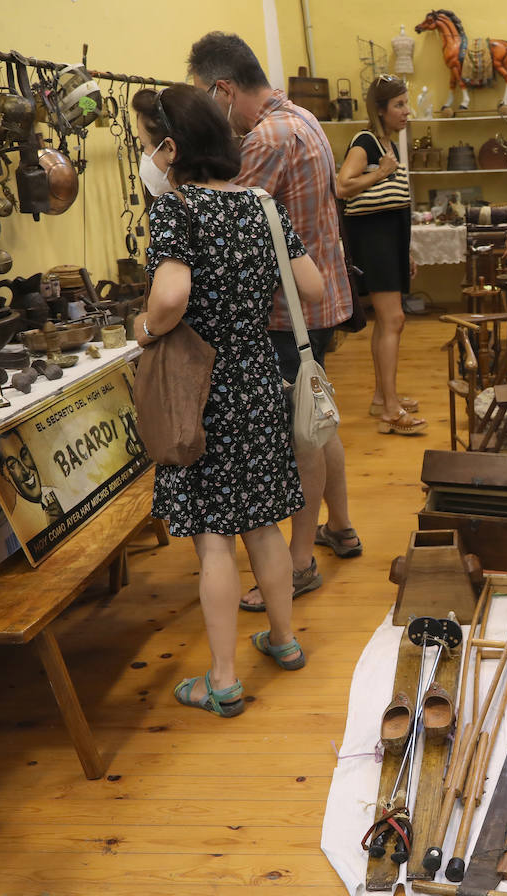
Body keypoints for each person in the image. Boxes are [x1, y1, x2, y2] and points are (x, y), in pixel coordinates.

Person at [131, 83, 324, 715]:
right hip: (257, 376)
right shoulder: (260, 206)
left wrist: (147, 328)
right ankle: (286, 641)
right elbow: (313, 287)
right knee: (263, 521)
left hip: (201, 386)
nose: (147, 156)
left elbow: (169, 298)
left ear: (172, 147)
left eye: (147, 144)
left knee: (214, 537)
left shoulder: (177, 210)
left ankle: (221, 680)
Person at [186, 32, 364, 616]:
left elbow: (229, 218)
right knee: (319, 418)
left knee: (299, 437)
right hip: (321, 299)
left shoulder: (267, 136)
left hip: (289, 314)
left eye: (204, 98)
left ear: (224, 89)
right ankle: (339, 526)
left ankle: (301, 562)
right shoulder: (304, 118)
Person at [336, 74, 427, 436]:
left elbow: (396, 206)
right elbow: (342, 186)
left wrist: (404, 251)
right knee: (394, 320)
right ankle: (390, 410)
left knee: (389, 322)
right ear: (381, 109)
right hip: (373, 245)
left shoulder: (388, 143)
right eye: (399, 105)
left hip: (388, 243)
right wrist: (381, 174)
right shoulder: (365, 143)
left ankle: (382, 397)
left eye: (406, 103)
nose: (407, 111)